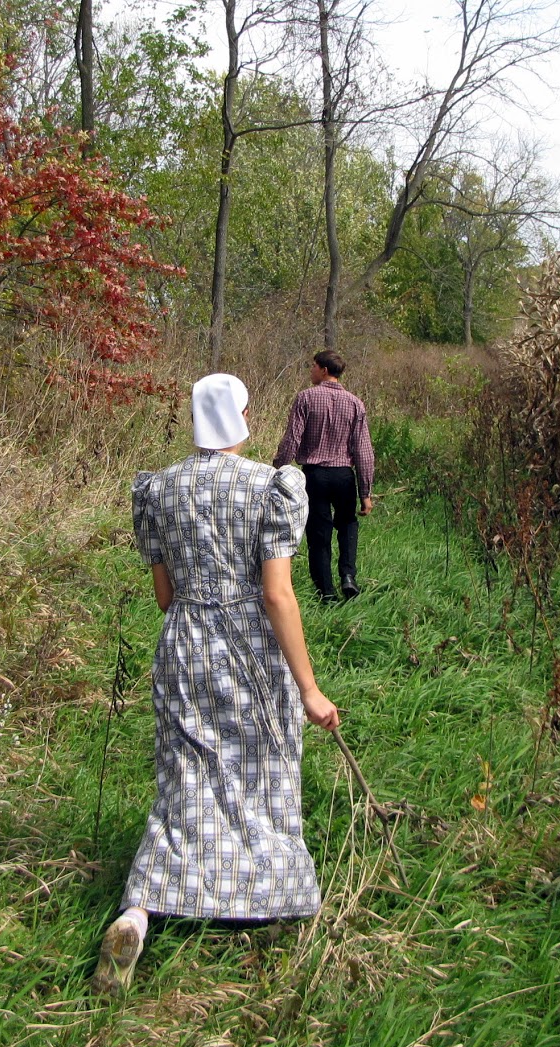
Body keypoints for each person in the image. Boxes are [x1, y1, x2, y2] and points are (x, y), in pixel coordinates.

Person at [91, 372, 342, 999]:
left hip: (185, 646)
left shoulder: (158, 490)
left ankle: (139, 911)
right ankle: (268, 900)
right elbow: (278, 594)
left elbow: (164, 596)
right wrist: (309, 688)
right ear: (241, 417)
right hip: (250, 649)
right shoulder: (270, 487)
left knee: (184, 778)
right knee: (262, 771)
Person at [272, 350, 375, 602]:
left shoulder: (305, 398)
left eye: (313, 366)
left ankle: (326, 592)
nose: (311, 370)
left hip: (315, 476)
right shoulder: (355, 403)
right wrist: (365, 492)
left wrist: (278, 470)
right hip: (344, 476)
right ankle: (348, 576)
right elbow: (363, 450)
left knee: (319, 532)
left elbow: (292, 439)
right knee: (347, 524)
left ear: (324, 370)